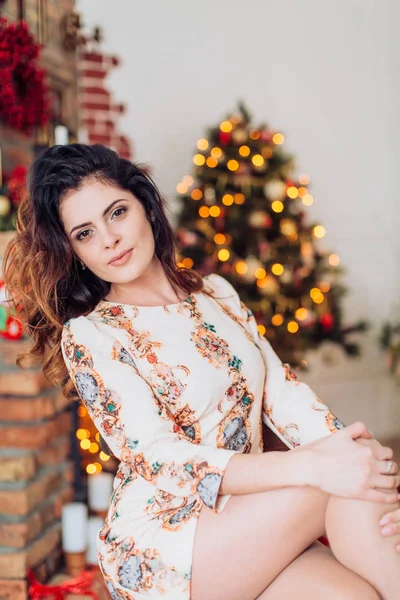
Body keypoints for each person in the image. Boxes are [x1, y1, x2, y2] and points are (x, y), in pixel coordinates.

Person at [4, 143, 400, 600]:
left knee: (353, 576)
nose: (109, 239)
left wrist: (371, 472)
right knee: (329, 473)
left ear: (147, 209)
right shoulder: (92, 334)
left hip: (252, 513)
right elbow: (158, 457)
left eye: (117, 212)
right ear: (73, 252)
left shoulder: (217, 293)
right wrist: (320, 464)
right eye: (85, 233)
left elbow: (282, 393)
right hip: (165, 544)